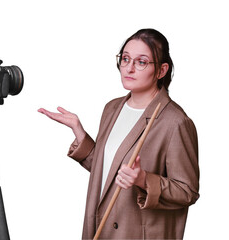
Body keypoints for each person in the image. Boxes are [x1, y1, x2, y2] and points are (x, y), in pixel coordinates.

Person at [38, 28, 199, 239]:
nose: (129, 68)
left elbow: (187, 191)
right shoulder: (112, 109)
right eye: (125, 59)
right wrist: (80, 133)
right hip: (100, 226)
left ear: (161, 70)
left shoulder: (175, 122)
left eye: (141, 62)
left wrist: (143, 180)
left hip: (135, 233)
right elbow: (109, 169)